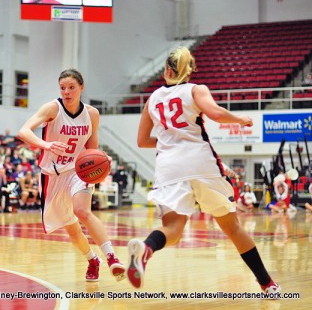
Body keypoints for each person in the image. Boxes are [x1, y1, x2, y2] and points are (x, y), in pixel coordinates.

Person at [127, 47, 279, 295]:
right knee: (232, 227)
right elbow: (216, 113)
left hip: (168, 167)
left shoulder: (152, 98)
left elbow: (142, 141)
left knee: (173, 231)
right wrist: (240, 120)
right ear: (190, 70)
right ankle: (267, 283)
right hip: (199, 163)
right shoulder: (195, 89)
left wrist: (169, 140)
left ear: (166, 70)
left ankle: (146, 248)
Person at [17, 69, 125, 282]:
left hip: (78, 170)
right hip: (53, 174)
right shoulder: (52, 108)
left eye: (71, 87)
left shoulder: (92, 114)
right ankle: (93, 260)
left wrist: (101, 161)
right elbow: (24, 131)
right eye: (63, 88)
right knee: (72, 229)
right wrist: (46, 145)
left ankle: (112, 257)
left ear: (81, 88)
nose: (66, 92)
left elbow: (92, 149)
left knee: (82, 211)